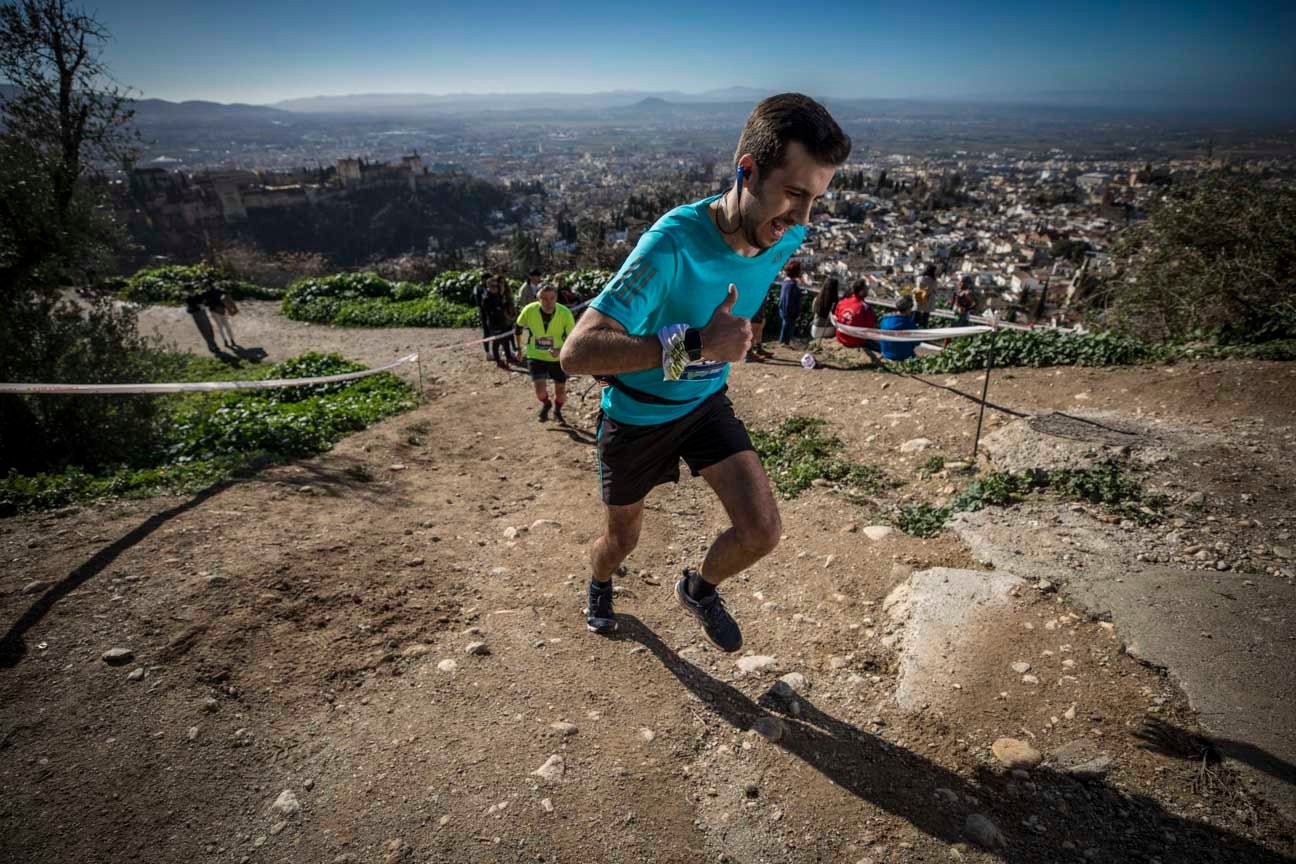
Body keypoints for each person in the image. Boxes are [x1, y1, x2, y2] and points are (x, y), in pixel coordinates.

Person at [560, 93, 850, 649]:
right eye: (793, 194)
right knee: (621, 542)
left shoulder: (786, 232)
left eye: (815, 199)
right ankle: (598, 583)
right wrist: (694, 344)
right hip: (637, 415)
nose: (802, 218)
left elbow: (743, 290)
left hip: (703, 407)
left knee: (761, 531)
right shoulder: (671, 244)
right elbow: (578, 353)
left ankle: (698, 588)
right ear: (747, 170)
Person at [515, 283, 576, 422]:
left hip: (557, 357)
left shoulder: (565, 312)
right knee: (540, 392)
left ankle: (557, 411)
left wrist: (560, 351)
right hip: (535, 355)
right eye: (544, 299)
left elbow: (573, 338)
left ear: (556, 298)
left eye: (552, 298)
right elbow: (518, 328)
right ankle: (546, 404)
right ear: (538, 298)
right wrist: (518, 348)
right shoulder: (529, 310)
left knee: (560, 392)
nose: (549, 302)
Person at [483, 275, 518, 367]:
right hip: (494, 323)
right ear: (488, 286)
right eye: (492, 286)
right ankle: (498, 361)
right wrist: (501, 309)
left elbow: (503, 306)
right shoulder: (486, 298)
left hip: (503, 321)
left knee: (506, 340)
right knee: (496, 342)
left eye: (496, 286)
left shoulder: (498, 295)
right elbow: (491, 312)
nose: (495, 288)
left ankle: (508, 357)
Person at [833, 279, 878, 349]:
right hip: (856, 341)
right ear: (861, 291)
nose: (868, 290)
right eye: (866, 288)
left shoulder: (842, 302)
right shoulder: (864, 307)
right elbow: (871, 326)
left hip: (841, 337)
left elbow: (836, 317)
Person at [879, 294, 918, 361]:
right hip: (904, 356)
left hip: (886, 355)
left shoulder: (884, 320)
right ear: (908, 308)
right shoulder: (909, 323)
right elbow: (917, 342)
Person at [777, 259, 803, 345]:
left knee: (786, 327)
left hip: (784, 310)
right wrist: (793, 313)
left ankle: (784, 342)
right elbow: (788, 299)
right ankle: (783, 343)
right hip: (789, 311)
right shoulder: (791, 284)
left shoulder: (786, 282)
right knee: (787, 328)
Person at [474, 274, 493, 359]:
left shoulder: (486, 287)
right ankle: (487, 352)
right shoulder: (478, 288)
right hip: (484, 313)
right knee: (486, 333)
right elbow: (479, 302)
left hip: (491, 313)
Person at [914, 263, 937, 328]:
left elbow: (918, 287)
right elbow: (935, 290)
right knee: (925, 316)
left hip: (919, 297)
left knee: (916, 314)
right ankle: (924, 330)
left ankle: (912, 329)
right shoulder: (933, 280)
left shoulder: (919, 278)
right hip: (929, 299)